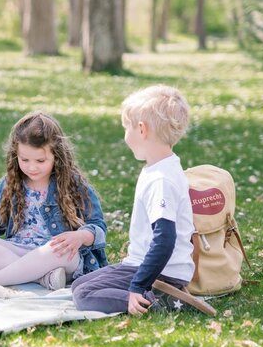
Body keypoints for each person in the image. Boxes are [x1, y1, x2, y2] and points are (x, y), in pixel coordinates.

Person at [71, 85, 195, 315]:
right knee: (79, 285)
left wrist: (138, 285)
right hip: (144, 265)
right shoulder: (161, 168)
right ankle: (149, 294)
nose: (124, 135)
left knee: (83, 294)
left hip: (161, 272)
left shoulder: (161, 179)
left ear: (141, 129)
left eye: (125, 127)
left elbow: (165, 239)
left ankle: (152, 301)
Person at [0, 111, 107, 290]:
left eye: (40, 160)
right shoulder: (9, 183)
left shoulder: (74, 184)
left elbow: (98, 226)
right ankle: (42, 278)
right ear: (16, 155)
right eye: (25, 159)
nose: (32, 167)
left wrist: (80, 236)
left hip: (55, 254)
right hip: (18, 248)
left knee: (57, 251)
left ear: (57, 157)